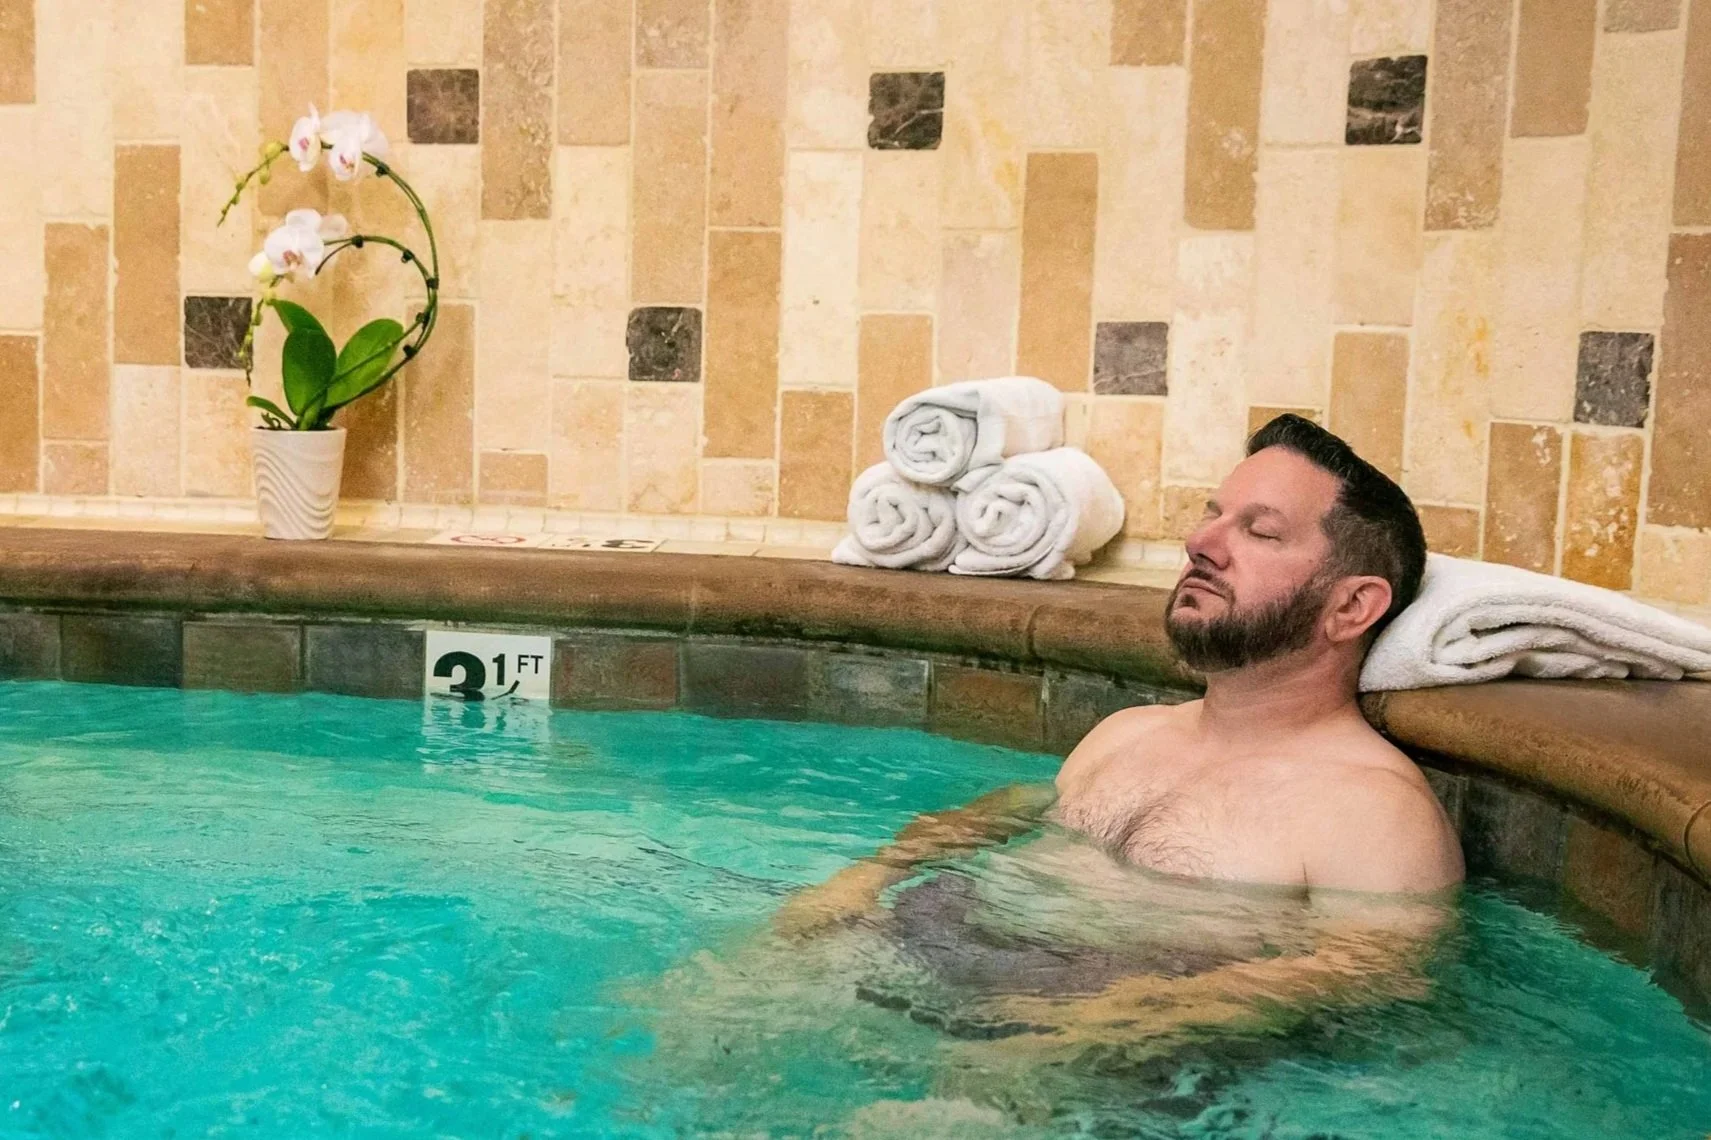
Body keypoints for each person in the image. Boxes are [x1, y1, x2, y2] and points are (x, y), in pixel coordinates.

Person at [772, 414, 1465, 1049]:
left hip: (1116, 1054)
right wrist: (868, 876)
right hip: (942, 948)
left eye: (1260, 532)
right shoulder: (1126, 732)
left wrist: (1106, 1027)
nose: (1200, 544)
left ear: (1351, 606)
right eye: (1213, 515)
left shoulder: (1372, 811)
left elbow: (1373, 970)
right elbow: (1023, 804)